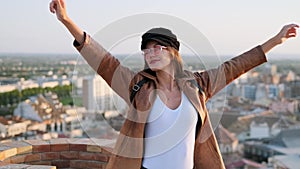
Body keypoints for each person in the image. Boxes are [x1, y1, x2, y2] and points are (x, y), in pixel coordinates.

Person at [50, 0, 298, 168]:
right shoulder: (137, 86)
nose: (151, 53)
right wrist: (66, 21)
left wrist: (275, 41)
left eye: (158, 47)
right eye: (146, 50)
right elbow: (103, 61)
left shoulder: (198, 84)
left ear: (174, 53)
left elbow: (236, 66)